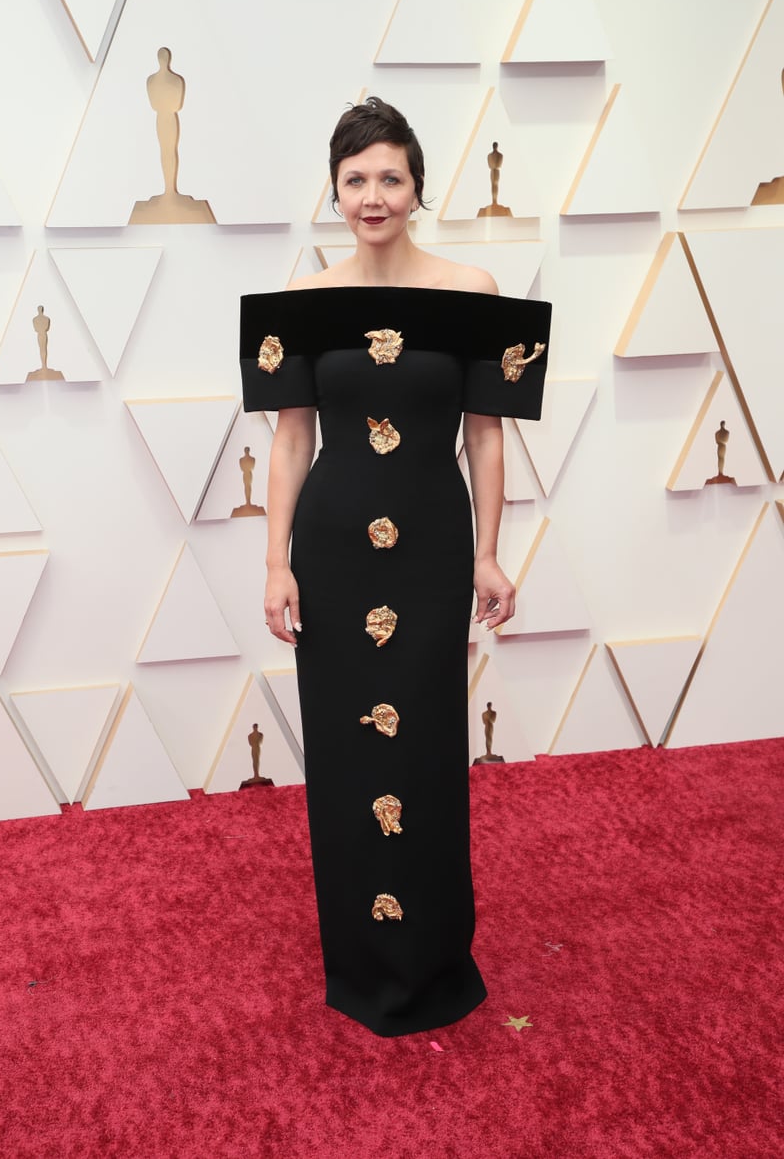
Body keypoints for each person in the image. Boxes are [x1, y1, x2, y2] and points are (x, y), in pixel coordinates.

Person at [240, 97, 551, 1037]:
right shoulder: (301, 302)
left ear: (418, 188)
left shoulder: (474, 292)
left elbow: (486, 439)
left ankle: (432, 959)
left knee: (424, 749)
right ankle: (362, 961)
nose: (373, 196)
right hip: (330, 554)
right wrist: (274, 564)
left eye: (390, 177)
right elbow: (291, 443)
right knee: (340, 753)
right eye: (355, 179)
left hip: (430, 547)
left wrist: (491, 553)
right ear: (334, 192)